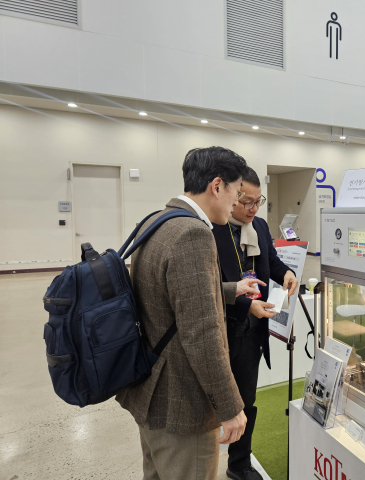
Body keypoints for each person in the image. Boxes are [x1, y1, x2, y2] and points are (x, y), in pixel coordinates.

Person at [116, 147, 249, 480]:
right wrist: (230, 408)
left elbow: (169, 293)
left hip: (150, 390)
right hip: (181, 405)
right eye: (236, 191)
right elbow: (201, 334)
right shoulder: (194, 234)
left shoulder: (158, 220)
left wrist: (230, 291)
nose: (236, 202)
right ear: (217, 186)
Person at [212, 167, 299, 480]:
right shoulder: (210, 228)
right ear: (230, 194)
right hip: (220, 331)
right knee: (212, 403)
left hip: (251, 333)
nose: (252, 209)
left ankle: (239, 464)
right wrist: (248, 304)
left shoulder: (259, 226)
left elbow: (271, 262)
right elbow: (209, 286)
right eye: (245, 202)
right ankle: (205, 462)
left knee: (246, 400)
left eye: (257, 202)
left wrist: (286, 273)